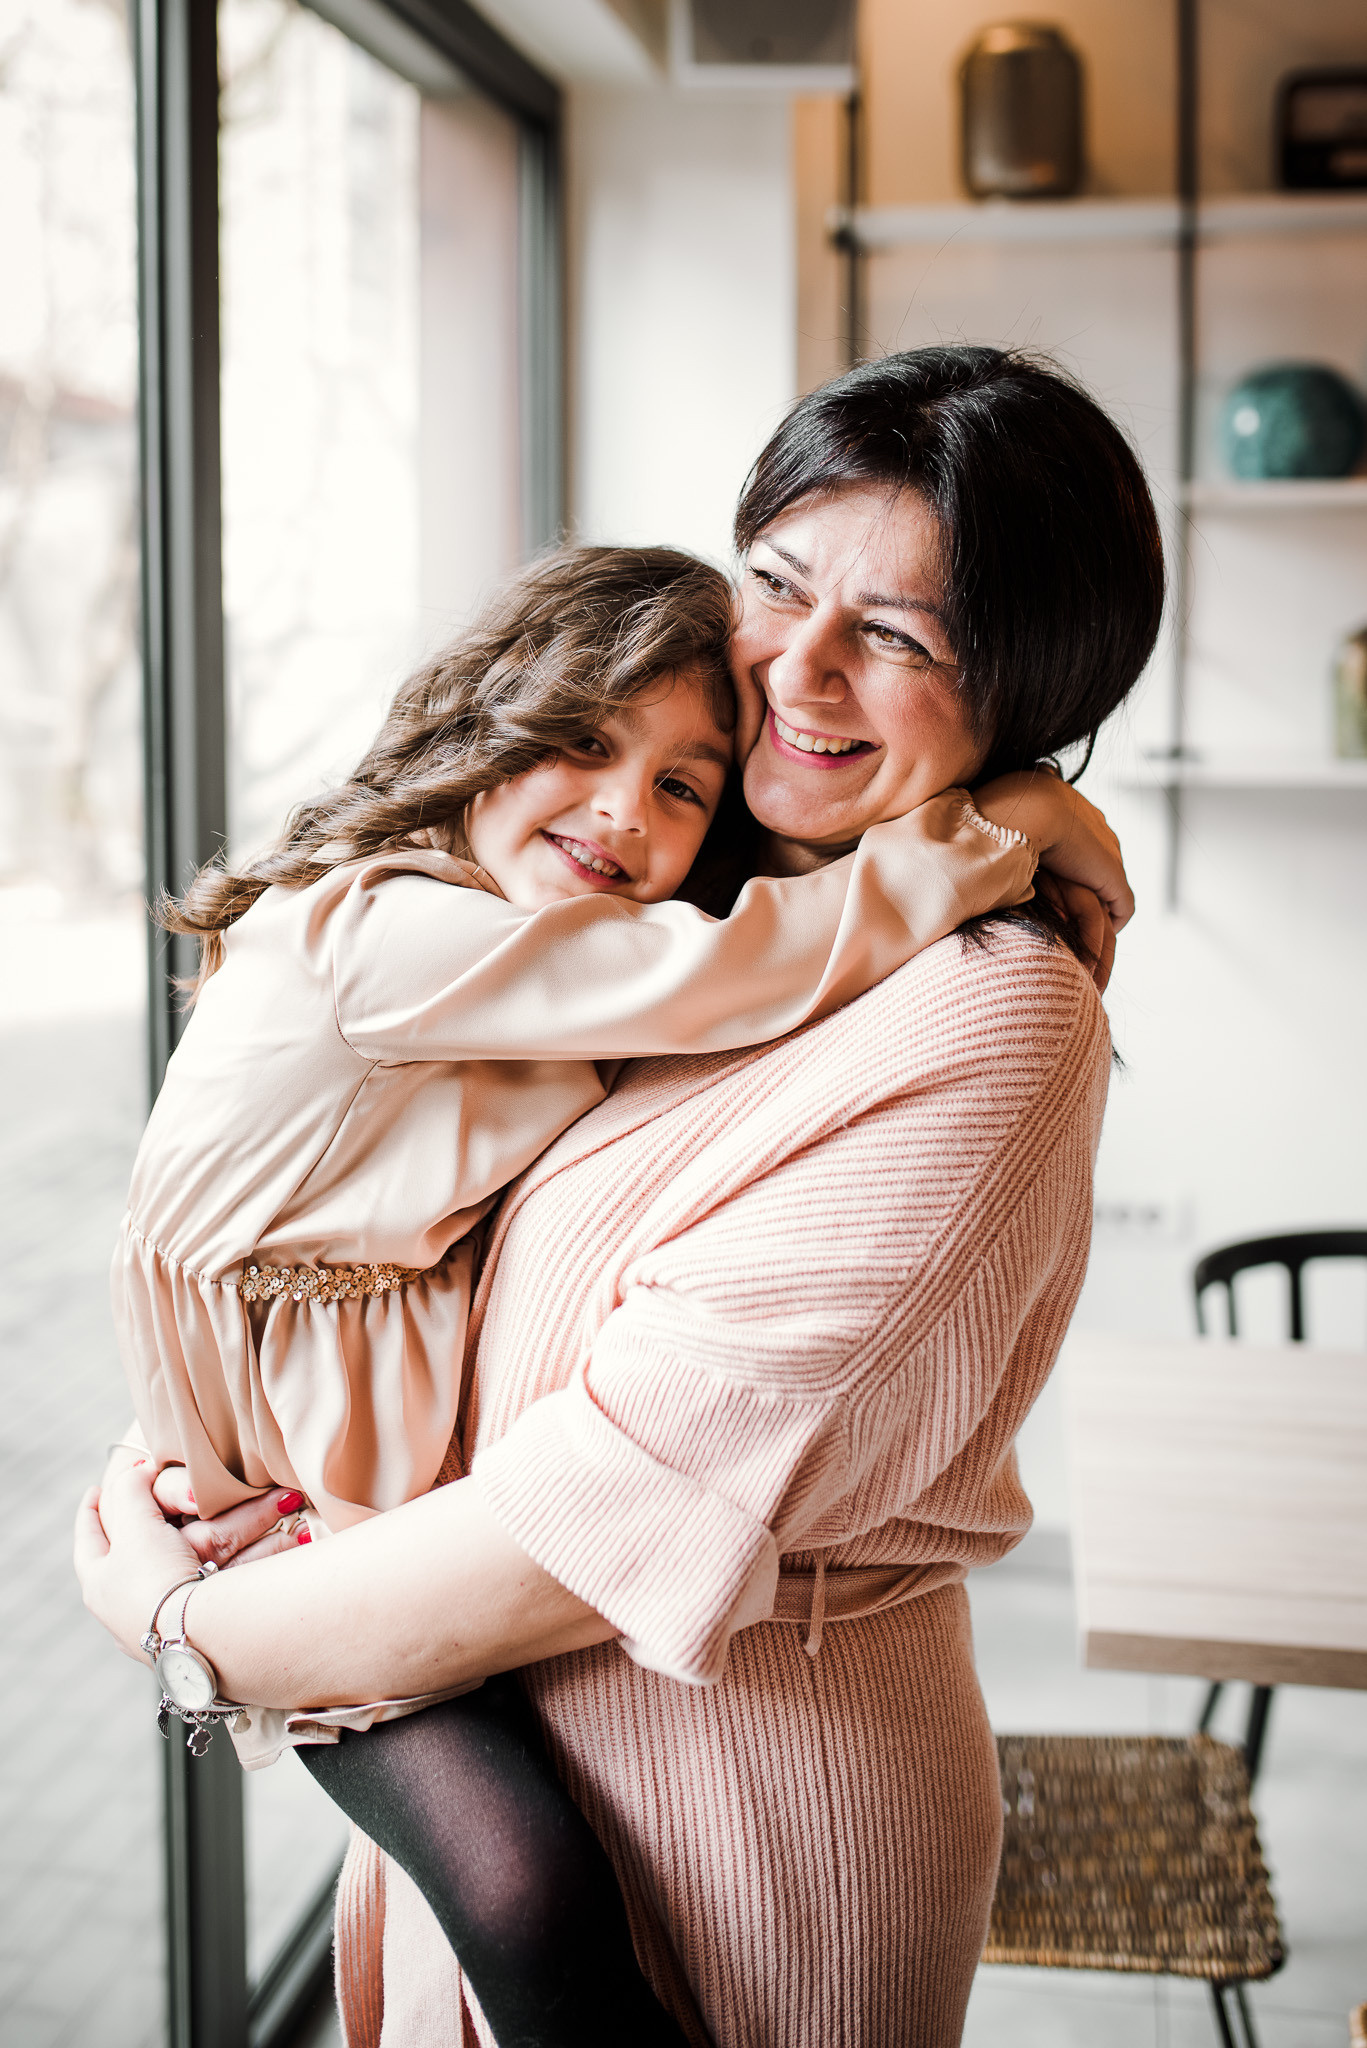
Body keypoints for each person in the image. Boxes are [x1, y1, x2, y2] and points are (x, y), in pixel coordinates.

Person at [78, 344, 1162, 2048]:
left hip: (728, 1831)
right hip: (471, 1714)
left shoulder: (986, 1010)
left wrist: (174, 1617)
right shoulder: (708, 882)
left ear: (1025, 681)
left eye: (897, 636)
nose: (796, 672)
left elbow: (588, 1521)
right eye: (779, 586)